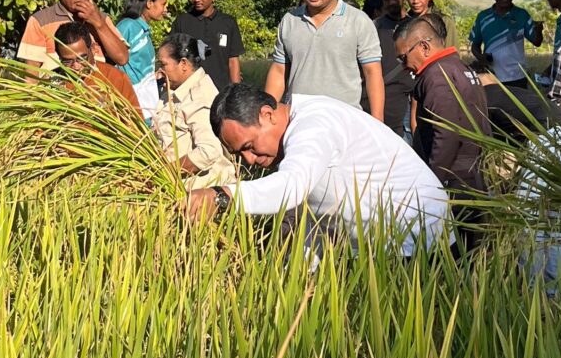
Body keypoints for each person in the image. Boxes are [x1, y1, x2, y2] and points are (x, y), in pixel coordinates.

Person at [186, 84, 451, 255]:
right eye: (239, 154)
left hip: (419, 240)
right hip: (379, 246)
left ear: (267, 115)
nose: (250, 160)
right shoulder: (295, 139)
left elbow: (292, 186)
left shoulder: (313, 125)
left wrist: (222, 195)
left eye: (249, 146)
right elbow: (316, 214)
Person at [395, 14, 490, 238]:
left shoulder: (437, 76)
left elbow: (446, 135)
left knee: (455, 256)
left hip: (454, 182)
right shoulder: (460, 67)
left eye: (403, 57)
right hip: (473, 175)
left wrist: (432, 184)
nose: (403, 66)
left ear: (424, 47)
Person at [266, 0, 385, 121]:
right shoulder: (290, 20)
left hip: (344, 121)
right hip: (298, 120)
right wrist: (267, 112)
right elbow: (279, 71)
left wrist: (377, 123)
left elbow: (372, 72)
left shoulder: (358, 21)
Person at [18, 0, 130, 74]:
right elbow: (31, 74)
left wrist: (99, 24)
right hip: (58, 90)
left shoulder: (101, 18)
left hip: (97, 90)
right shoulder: (40, 21)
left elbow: (122, 58)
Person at [154, 34, 236, 190]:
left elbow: (208, 151)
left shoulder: (199, 97)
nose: (159, 72)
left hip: (199, 194)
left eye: (164, 65)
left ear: (183, 64)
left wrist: (166, 172)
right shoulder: (173, 91)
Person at [171, 0, 243, 92]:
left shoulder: (228, 23)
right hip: (189, 92)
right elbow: (173, 57)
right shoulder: (182, 22)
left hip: (221, 92)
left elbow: (233, 61)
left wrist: (236, 92)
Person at [53, 19, 142, 114]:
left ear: (93, 49)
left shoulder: (115, 78)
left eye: (81, 58)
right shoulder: (53, 84)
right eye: (67, 61)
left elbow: (135, 121)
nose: (76, 66)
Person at [469, 0, 543, 89]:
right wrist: (481, 58)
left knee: (518, 107)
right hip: (491, 78)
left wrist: (538, 30)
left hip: (518, 78)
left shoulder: (522, 15)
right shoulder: (483, 17)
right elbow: (475, 45)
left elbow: (537, 42)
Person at [117, 0, 169, 116]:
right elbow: (116, 62)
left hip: (146, 105)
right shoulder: (128, 27)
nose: (165, 9)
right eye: (163, 4)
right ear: (149, 3)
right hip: (132, 106)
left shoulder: (143, 30)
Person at [372, 0, 413, 133]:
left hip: (412, 99)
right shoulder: (374, 27)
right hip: (386, 101)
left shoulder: (416, 26)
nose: (391, 3)